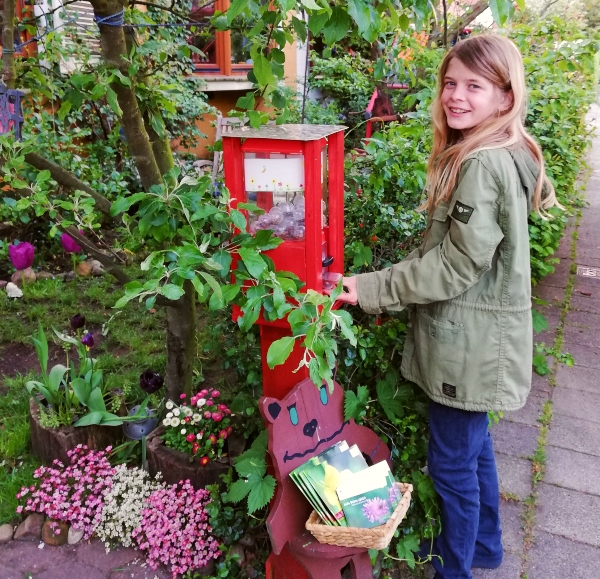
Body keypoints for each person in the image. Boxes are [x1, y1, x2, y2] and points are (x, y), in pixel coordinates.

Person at [329, 34, 560, 579]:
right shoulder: (503, 151)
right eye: (450, 83)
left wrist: (369, 288)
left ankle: (453, 570)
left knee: (453, 465)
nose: (455, 96)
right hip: (481, 341)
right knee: (473, 449)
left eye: (474, 86)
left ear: (504, 98)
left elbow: (455, 266)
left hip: (468, 346)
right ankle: (485, 548)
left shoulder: (482, 164)